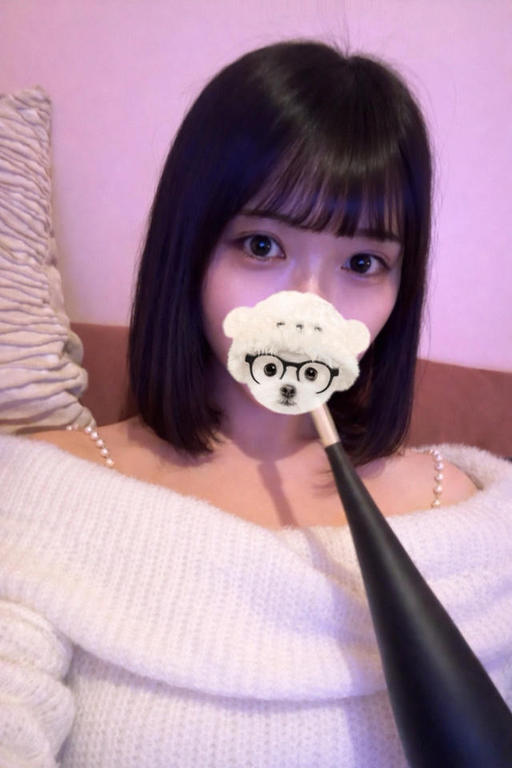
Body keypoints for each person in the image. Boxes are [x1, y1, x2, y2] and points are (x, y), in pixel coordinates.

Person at [0, 39, 510, 768]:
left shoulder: (466, 512)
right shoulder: (43, 494)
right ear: (189, 245)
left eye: (363, 262)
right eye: (262, 246)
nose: (310, 305)